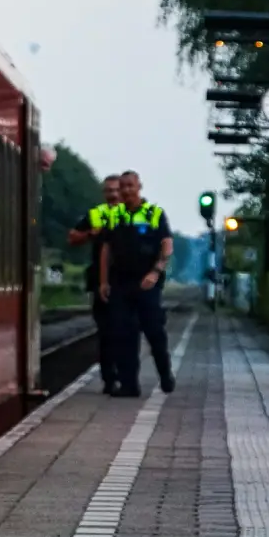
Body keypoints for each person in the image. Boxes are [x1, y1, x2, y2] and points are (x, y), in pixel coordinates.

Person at [99, 170, 174, 397]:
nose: (127, 191)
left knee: (154, 331)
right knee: (123, 333)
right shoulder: (115, 216)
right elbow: (106, 249)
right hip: (121, 282)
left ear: (139, 187)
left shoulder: (154, 214)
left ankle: (165, 373)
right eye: (123, 187)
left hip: (147, 283)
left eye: (131, 186)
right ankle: (129, 384)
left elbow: (167, 245)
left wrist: (156, 271)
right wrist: (103, 281)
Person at [68, 174, 122, 394]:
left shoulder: (132, 214)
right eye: (109, 190)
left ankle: (122, 371)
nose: (113, 194)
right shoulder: (96, 214)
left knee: (125, 330)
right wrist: (91, 233)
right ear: (104, 193)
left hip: (125, 280)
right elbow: (72, 237)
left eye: (116, 190)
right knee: (106, 331)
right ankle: (109, 377)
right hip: (100, 281)